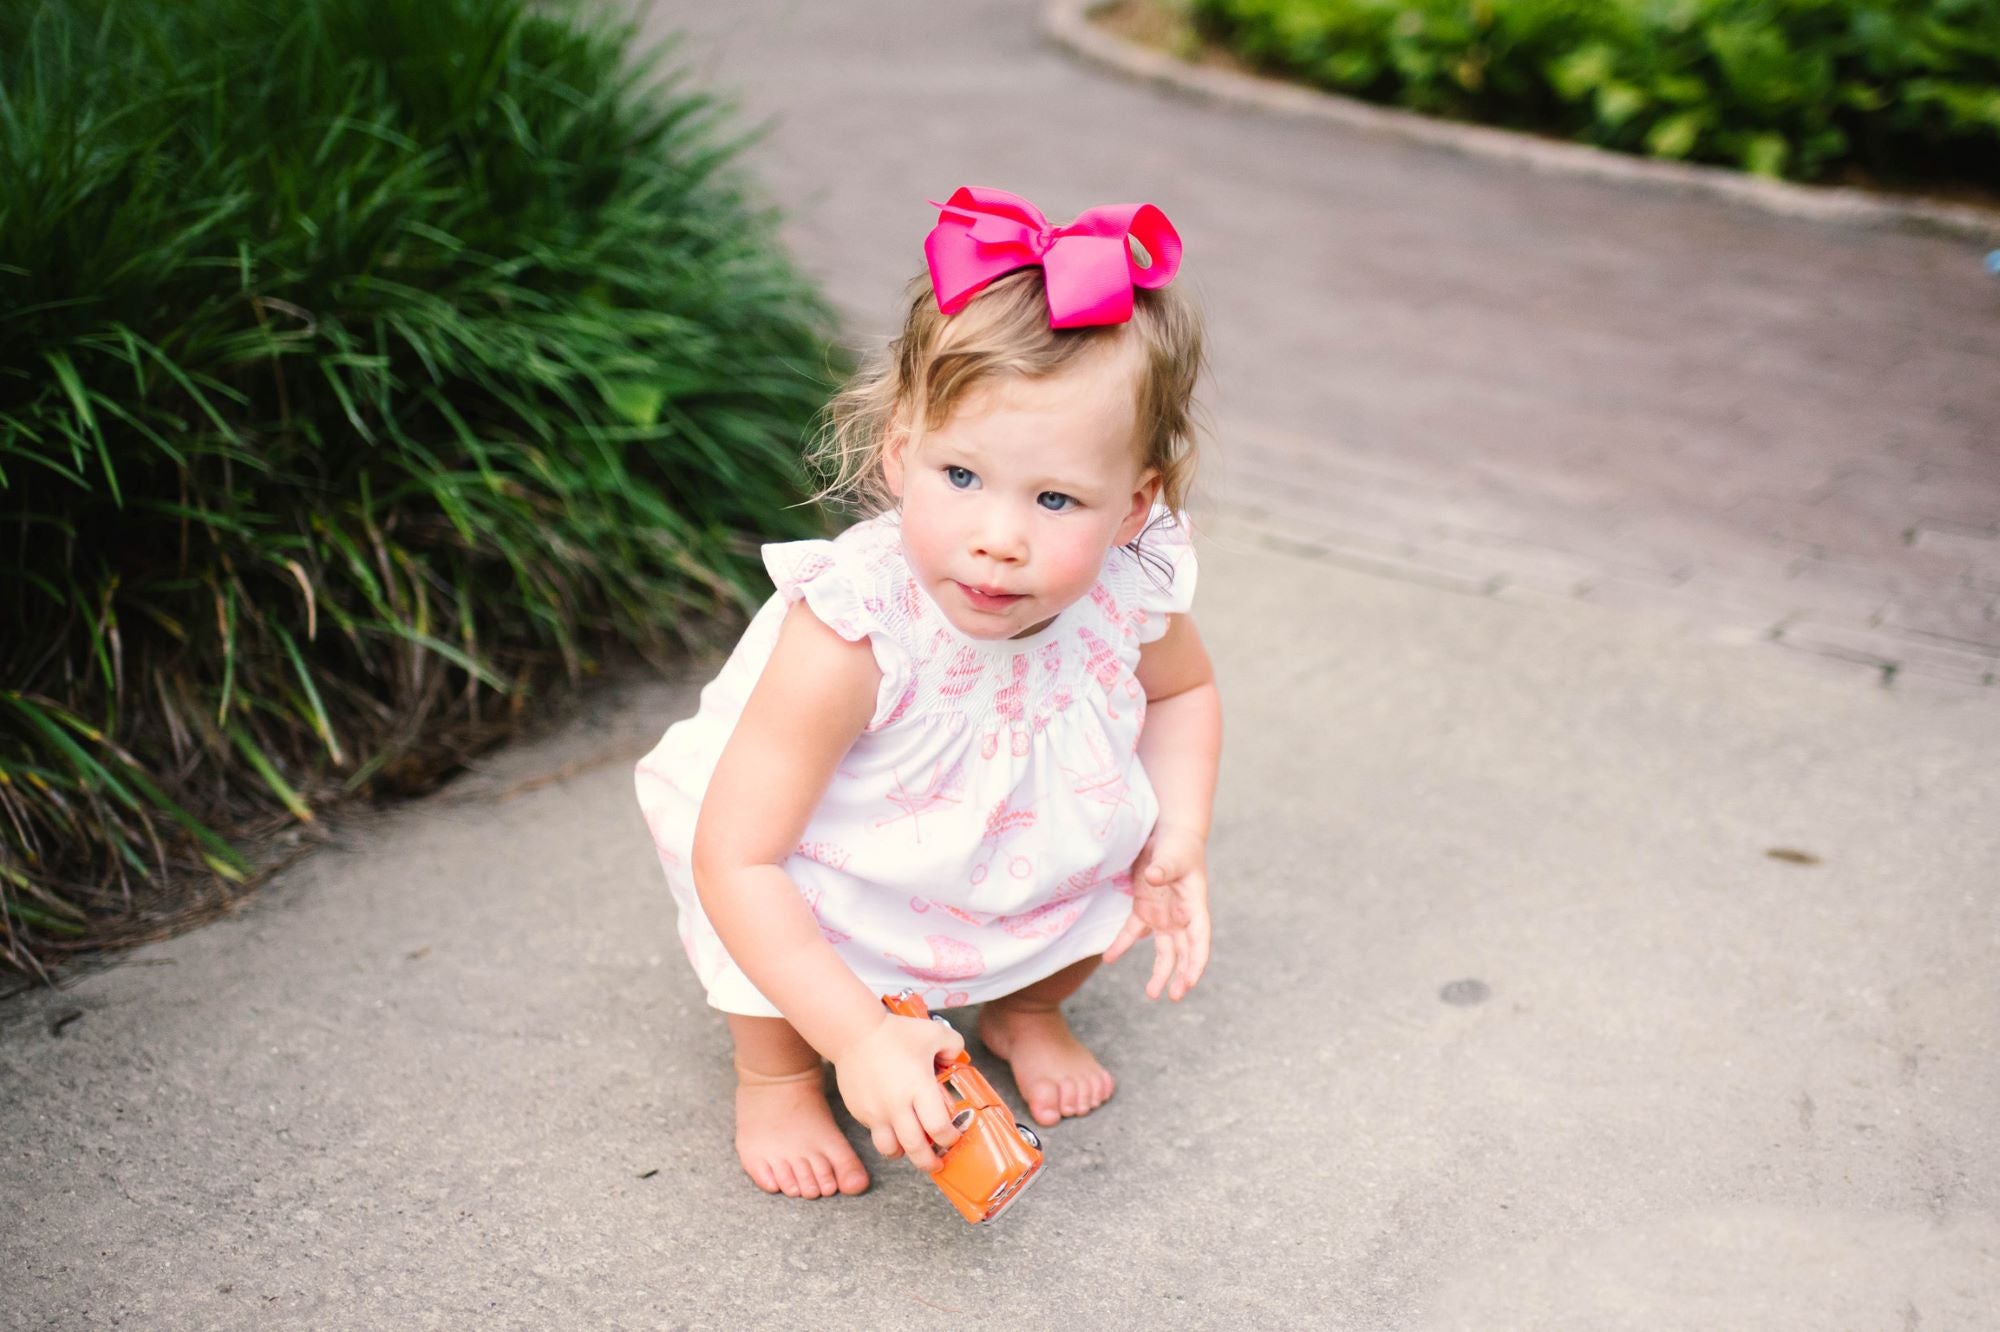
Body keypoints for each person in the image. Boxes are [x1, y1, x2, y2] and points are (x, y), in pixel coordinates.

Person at [633, 186, 1222, 1200]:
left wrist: (1180, 833)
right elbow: (737, 857)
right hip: (821, 855)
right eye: (960, 476)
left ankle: (1022, 1008)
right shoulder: (854, 634)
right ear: (900, 457)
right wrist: (855, 1037)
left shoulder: (1127, 592)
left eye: (1053, 499)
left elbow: (1184, 694)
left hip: (1012, 838)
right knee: (777, 953)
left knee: (1107, 878)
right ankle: (773, 1076)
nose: (999, 535)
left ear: (1132, 507)